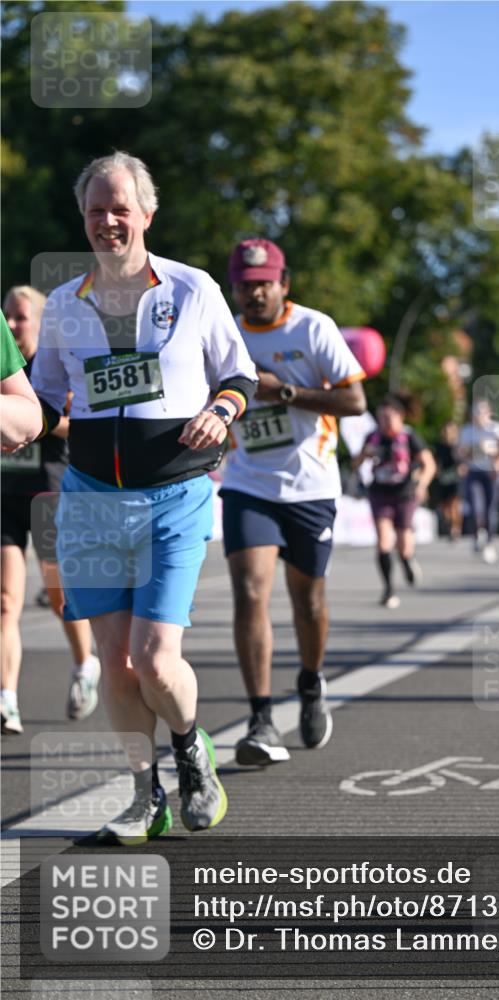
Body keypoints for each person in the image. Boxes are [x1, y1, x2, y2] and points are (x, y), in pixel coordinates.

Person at [30, 152, 258, 842]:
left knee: (156, 658)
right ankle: (142, 793)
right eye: (96, 210)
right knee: (115, 663)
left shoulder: (191, 291)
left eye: (119, 208)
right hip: (91, 499)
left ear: (147, 214)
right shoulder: (65, 305)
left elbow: (239, 372)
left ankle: (191, 751)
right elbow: (41, 396)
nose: (107, 221)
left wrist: (221, 409)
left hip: (174, 494)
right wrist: (19, 424)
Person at [220, 238, 366, 766]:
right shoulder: (225, 331)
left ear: (284, 284)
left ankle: (310, 682)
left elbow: (354, 400)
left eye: (263, 284)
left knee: (308, 601)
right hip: (247, 481)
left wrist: (283, 392)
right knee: (250, 590)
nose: (254, 293)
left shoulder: (313, 328)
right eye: (244, 285)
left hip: (311, 485)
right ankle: (260, 719)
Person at [1, 287, 100, 735]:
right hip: (4, 495)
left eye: (22, 317)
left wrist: (33, 421)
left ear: (41, 323)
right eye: (9, 317)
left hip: (49, 495)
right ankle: (7, 699)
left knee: (61, 598)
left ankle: (85, 665)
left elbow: (83, 426)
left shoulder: (51, 370)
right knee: (5, 602)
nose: (14, 325)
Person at [354, 395, 436, 608]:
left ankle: (407, 560)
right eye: (381, 417)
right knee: (383, 541)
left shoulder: (409, 437)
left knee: (404, 544)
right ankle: (388, 589)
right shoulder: (372, 437)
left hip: (404, 494)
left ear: (400, 417)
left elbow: (428, 464)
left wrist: (422, 484)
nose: (385, 422)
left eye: (389, 417)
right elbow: (356, 463)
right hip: (380, 493)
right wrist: (364, 455)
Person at [458, 400, 499, 563]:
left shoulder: (497, 429)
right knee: (475, 506)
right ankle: (478, 534)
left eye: (481, 412)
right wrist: (475, 450)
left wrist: (492, 455)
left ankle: (490, 542)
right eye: (475, 413)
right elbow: (461, 453)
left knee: (491, 509)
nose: (478, 416)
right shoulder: (467, 431)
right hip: (474, 472)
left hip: (492, 473)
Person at [0, 310, 43, 450]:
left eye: (20, 318)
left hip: (50, 466)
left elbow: (32, 418)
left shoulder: (50, 363)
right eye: (6, 316)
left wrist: (15, 426)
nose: (10, 324)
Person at [434, 420, 463, 540]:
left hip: (455, 479)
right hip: (443, 478)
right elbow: (436, 461)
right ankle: (449, 523)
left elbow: (462, 462)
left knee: (454, 505)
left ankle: (455, 528)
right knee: (445, 507)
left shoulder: (458, 446)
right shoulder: (438, 446)